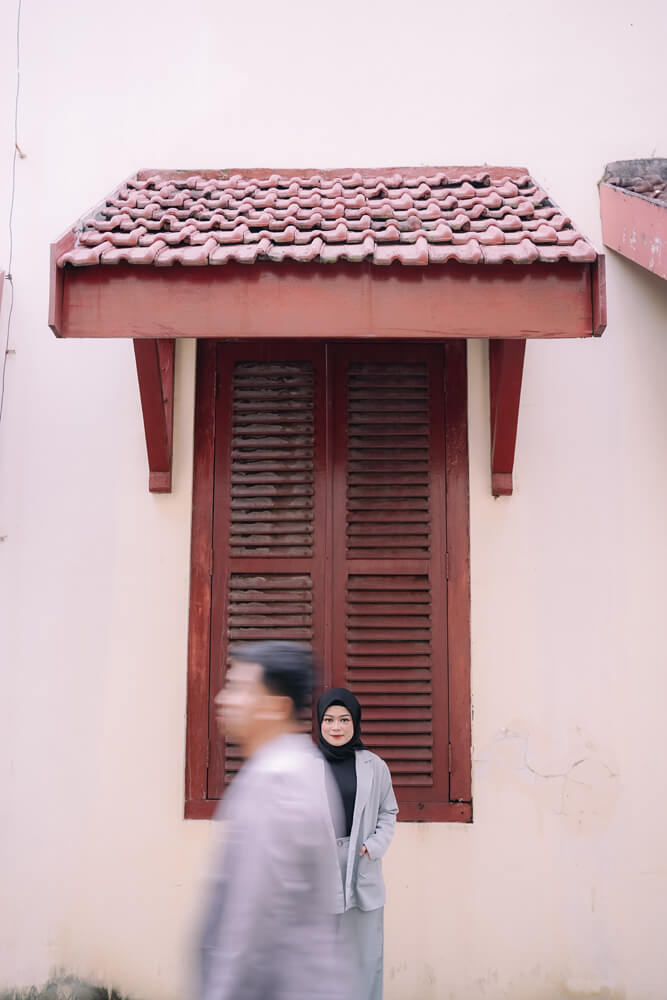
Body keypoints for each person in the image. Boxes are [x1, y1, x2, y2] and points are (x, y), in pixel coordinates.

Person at [197, 642, 346, 1000]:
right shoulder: (296, 766)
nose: (223, 699)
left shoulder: (276, 782)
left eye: (239, 688)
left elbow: (253, 920)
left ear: (276, 708)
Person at [317, 687, 399, 1000]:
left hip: (361, 864)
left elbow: (388, 812)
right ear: (319, 723)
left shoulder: (374, 766)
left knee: (365, 957)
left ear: (355, 723)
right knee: (319, 957)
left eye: (344, 719)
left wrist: (373, 846)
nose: (336, 727)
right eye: (328, 720)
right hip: (320, 867)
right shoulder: (306, 767)